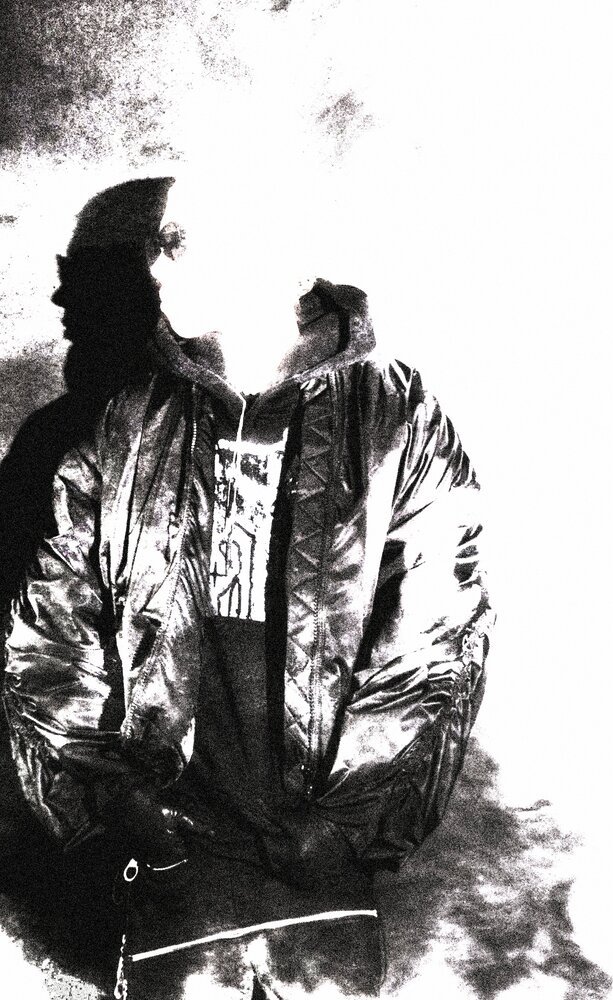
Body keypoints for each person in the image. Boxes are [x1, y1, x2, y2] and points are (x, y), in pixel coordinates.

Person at [2, 176, 493, 998]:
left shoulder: (395, 415)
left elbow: (438, 636)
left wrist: (345, 825)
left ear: (288, 264)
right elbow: (52, 634)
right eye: (156, 247)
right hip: (169, 866)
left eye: (178, 243)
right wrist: (111, 806)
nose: (159, 267)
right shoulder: (125, 421)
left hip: (317, 866)